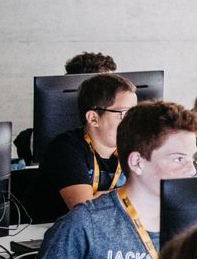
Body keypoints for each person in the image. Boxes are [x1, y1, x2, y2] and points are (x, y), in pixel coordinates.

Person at [34, 101, 197, 259]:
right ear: (137, 163)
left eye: (192, 158)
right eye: (178, 159)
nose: (191, 170)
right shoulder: (86, 223)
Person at [39, 72, 136, 213]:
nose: (133, 121)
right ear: (93, 118)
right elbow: (84, 208)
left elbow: (157, 194)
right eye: (125, 113)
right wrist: (135, 194)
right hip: (49, 230)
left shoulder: (135, 148)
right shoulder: (65, 148)